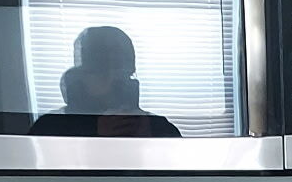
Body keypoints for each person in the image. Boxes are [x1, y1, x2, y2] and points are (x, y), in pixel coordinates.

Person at [29, 26, 181, 137]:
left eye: (123, 74)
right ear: (81, 77)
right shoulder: (50, 127)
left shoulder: (158, 126)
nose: (114, 81)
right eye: (101, 72)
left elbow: (181, 177)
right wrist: (94, 136)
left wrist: (149, 141)